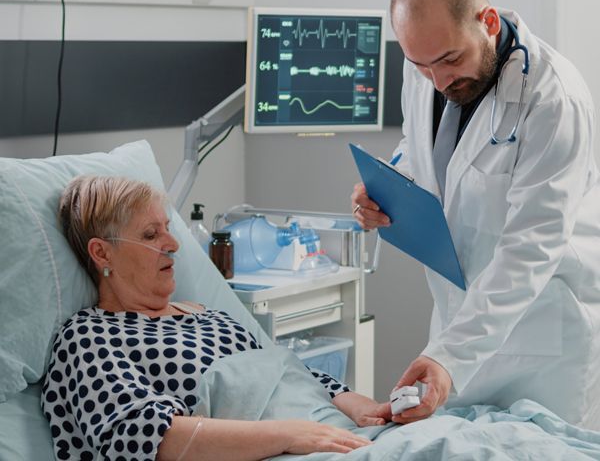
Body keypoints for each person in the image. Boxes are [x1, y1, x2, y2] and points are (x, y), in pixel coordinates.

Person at [352, 0, 600, 429]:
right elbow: (427, 148)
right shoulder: (426, 64)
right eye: (421, 66)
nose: (439, 82)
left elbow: (531, 247)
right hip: (458, 322)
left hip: (543, 336)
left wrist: (450, 355)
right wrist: (389, 184)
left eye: (449, 61)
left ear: (488, 23)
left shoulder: (553, 99)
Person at [42, 175, 391, 461]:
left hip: (332, 432)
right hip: (286, 448)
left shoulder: (210, 315)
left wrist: (365, 409)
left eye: (167, 228)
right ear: (102, 252)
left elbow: (291, 374)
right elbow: (138, 436)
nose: (173, 244)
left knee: (438, 435)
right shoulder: (89, 336)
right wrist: (289, 434)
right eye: (150, 235)